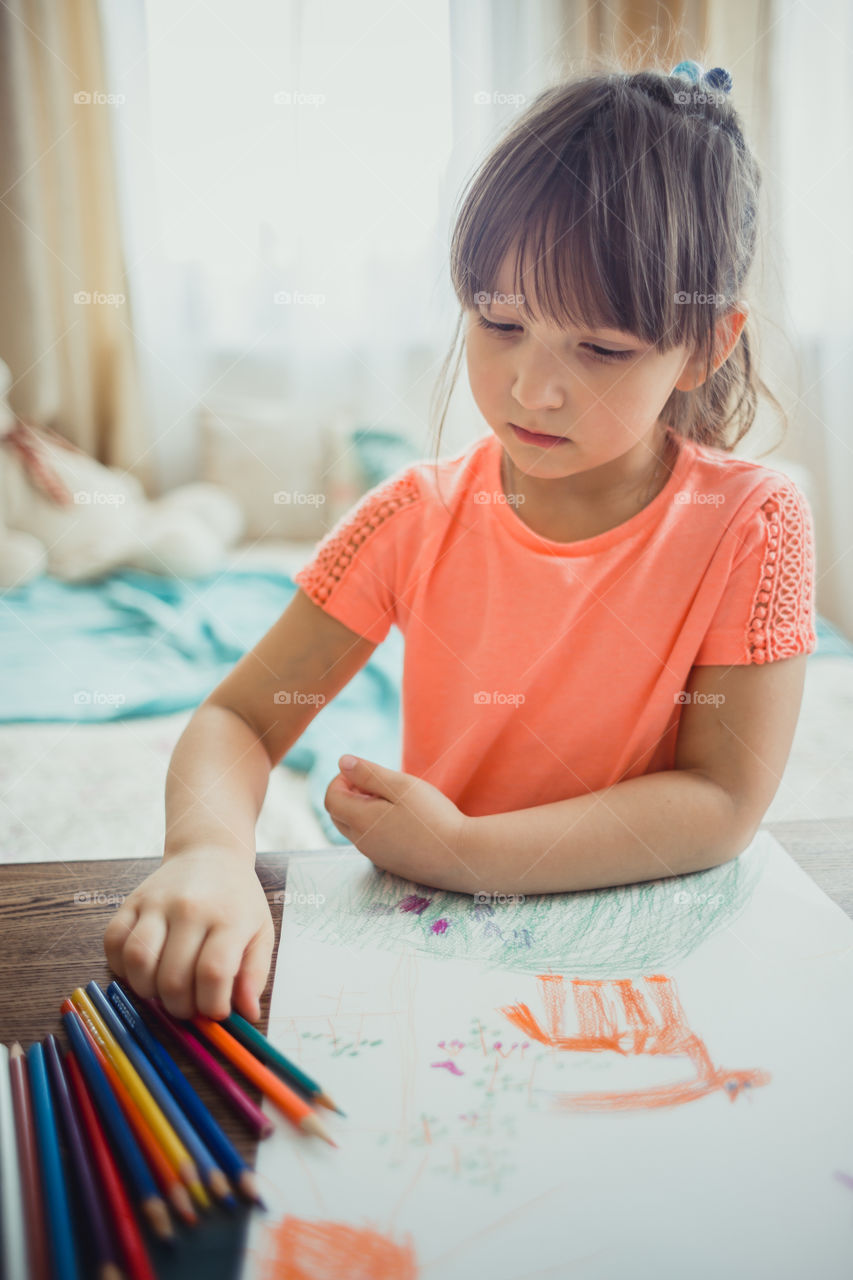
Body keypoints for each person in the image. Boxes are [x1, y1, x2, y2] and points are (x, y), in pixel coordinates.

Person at [104, 60, 817, 1024]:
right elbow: (239, 722)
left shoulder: (752, 524)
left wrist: (464, 853)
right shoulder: (410, 518)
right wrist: (208, 855)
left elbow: (722, 802)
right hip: (438, 964)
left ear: (704, 345)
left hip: (652, 963)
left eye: (599, 350)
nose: (533, 389)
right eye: (500, 324)